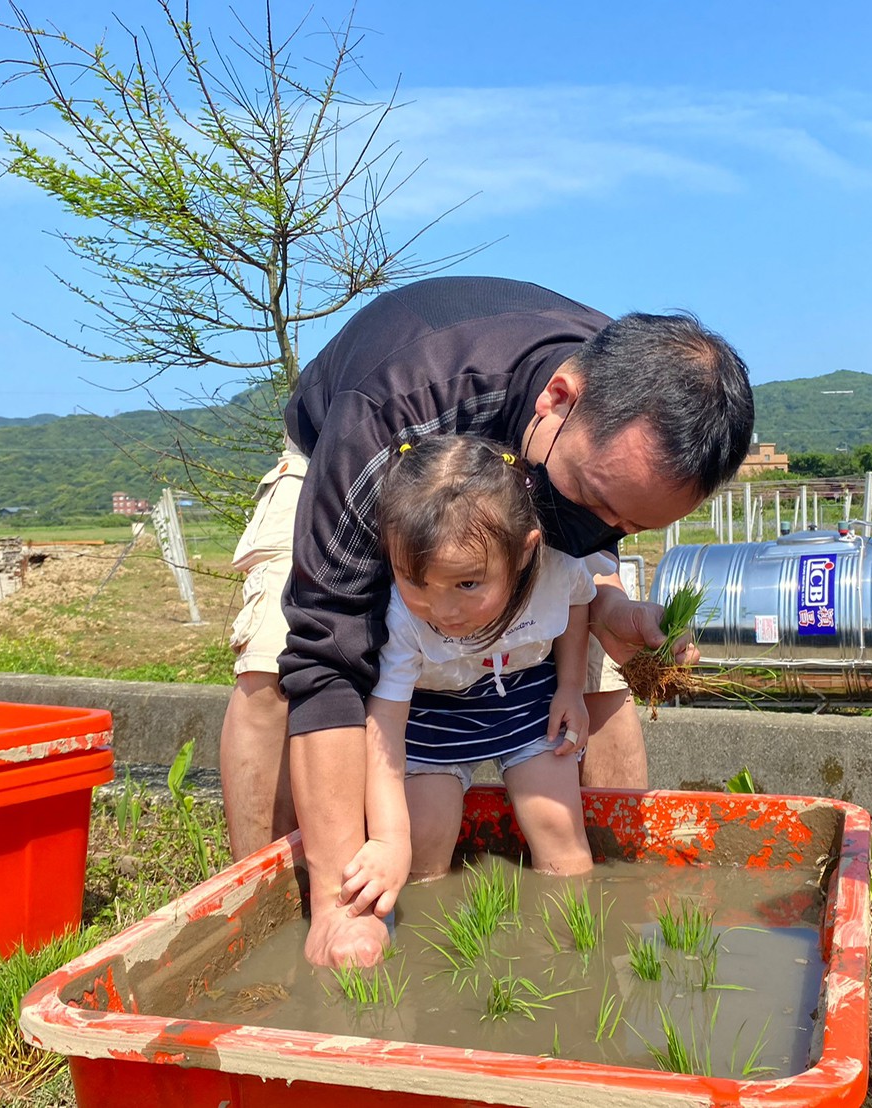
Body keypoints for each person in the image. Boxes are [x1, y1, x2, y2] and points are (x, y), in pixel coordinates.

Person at [217, 275, 754, 967]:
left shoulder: (617, 417)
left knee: (603, 668)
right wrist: (336, 905)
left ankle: (611, 894)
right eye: (594, 499)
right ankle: (287, 911)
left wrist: (611, 606)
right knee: (274, 669)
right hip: (368, 464)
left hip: (523, 482)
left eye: (629, 521)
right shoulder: (393, 403)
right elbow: (328, 647)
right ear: (559, 397)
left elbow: (596, 526)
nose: (603, 527)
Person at [340, 435, 595, 920]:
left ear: (523, 553)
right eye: (416, 581)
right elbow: (387, 725)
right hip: (432, 716)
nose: (443, 609)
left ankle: (571, 959)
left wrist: (570, 687)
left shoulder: (555, 570)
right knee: (423, 849)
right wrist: (388, 841)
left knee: (560, 833)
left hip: (525, 702)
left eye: (468, 583)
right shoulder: (400, 615)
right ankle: (432, 962)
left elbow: (579, 604)